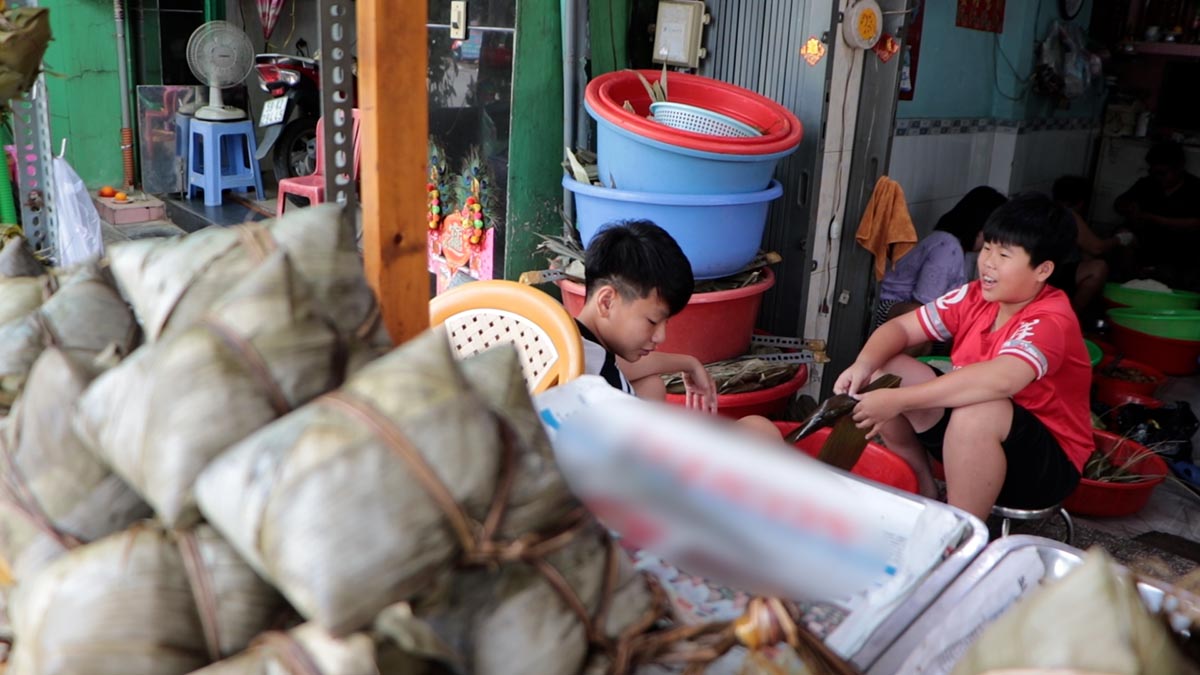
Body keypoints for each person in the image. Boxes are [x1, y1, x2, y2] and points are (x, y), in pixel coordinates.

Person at [835, 193, 1091, 523]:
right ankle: (923, 491)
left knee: (981, 408)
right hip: (971, 442)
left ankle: (958, 532)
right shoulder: (975, 296)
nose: (988, 262)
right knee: (888, 368)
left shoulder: (1049, 319)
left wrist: (898, 401)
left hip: (1043, 468)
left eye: (1004, 254)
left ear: (1043, 269)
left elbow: (1001, 380)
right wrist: (863, 365)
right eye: (987, 248)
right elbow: (901, 328)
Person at [575, 220, 780, 438]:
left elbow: (616, 365)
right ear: (607, 301)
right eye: (652, 321)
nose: (661, 336)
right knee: (761, 430)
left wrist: (688, 363)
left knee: (651, 386)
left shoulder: (571, 341)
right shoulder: (599, 386)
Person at [874, 186, 1007, 330]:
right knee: (928, 323)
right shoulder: (948, 248)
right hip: (884, 308)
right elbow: (924, 306)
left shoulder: (961, 250)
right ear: (979, 226)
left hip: (914, 314)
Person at [1114, 141, 1200, 289]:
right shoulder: (1147, 184)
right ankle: (1128, 283)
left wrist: (1154, 219)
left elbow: (1195, 223)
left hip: (1180, 249)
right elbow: (1119, 203)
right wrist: (1128, 207)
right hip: (1145, 243)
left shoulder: (1195, 188)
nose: (1158, 178)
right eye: (1153, 173)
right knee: (1123, 237)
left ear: (1179, 168)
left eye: (1162, 173)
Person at [1050, 175, 1133, 318]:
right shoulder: (1067, 214)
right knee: (1098, 268)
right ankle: (1071, 317)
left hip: (1045, 271)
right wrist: (1120, 239)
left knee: (1088, 257)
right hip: (1053, 274)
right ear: (1082, 202)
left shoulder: (1046, 210)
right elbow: (1097, 247)